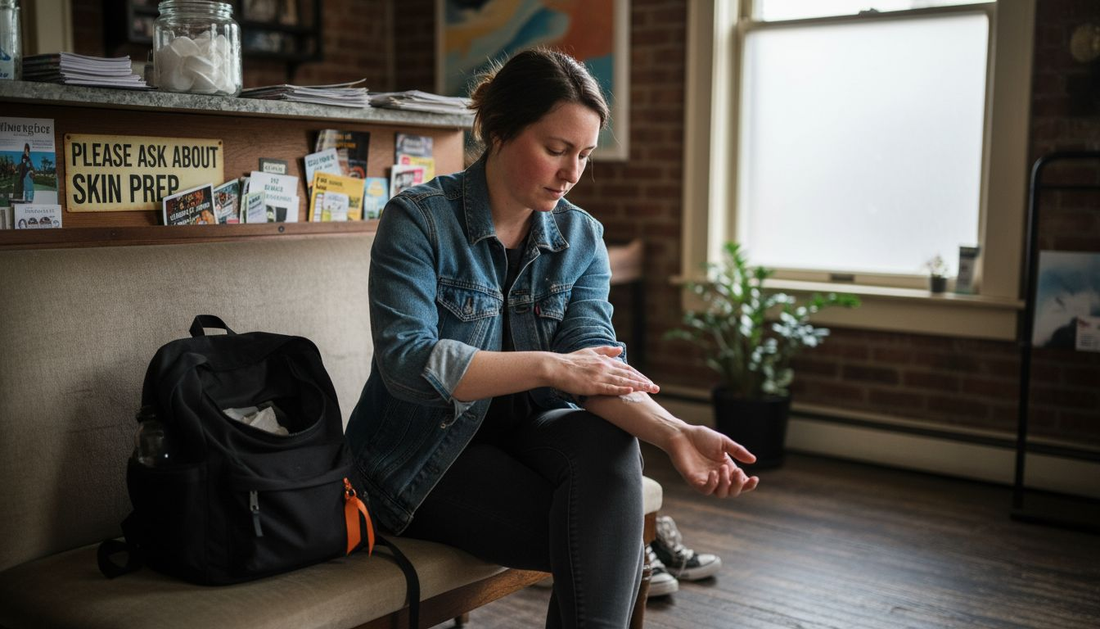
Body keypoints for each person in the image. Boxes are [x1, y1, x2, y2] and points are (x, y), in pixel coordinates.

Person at [344, 49, 759, 629]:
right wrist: (552, 367)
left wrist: (677, 433)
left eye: (584, 155)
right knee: (603, 540)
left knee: (611, 455)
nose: (572, 173)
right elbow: (408, 364)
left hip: (531, 444)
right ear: (497, 130)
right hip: (421, 458)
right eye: (556, 150)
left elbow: (598, 367)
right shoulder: (418, 221)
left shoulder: (582, 238)